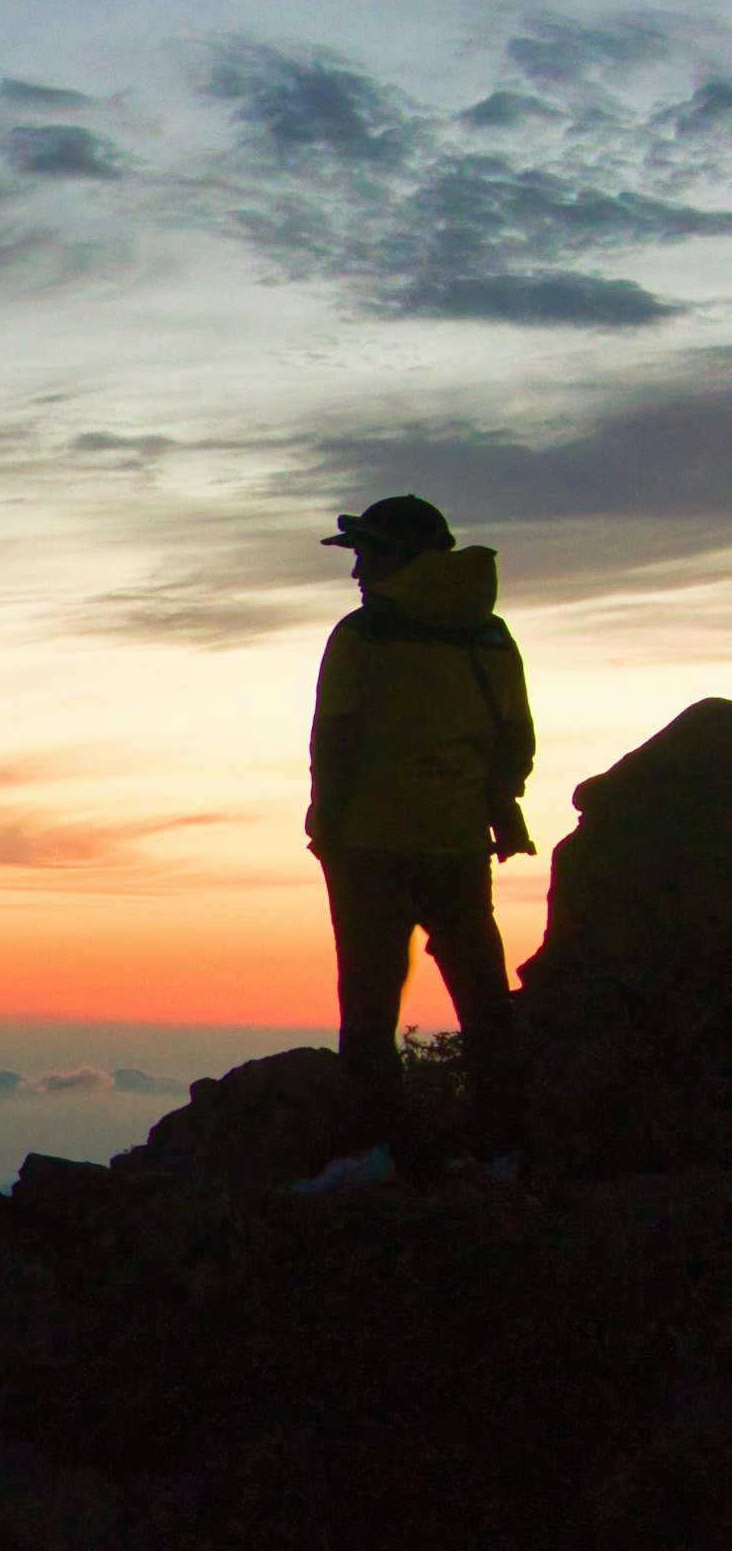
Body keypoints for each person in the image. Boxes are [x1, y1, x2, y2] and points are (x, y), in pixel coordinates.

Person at [307, 491, 534, 1168]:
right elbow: (514, 738)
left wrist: (327, 821)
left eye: (366, 554)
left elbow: (337, 739)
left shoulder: (363, 635)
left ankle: (378, 1144)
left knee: (370, 998)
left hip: (371, 846)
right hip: (460, 843)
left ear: (399, 557)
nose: (356, 572)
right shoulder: (491, 636)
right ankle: (504, 1135)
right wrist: (494, 802)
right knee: (481, 991)